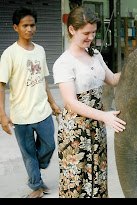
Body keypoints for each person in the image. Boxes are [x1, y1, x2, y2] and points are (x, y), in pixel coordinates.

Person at [53, 6, 126, 198]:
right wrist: (104, 116)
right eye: (86, 33)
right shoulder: (63, 63)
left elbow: (112, 79)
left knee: (98, 179)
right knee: (76, 184)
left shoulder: (95, 54)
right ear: (72, 30)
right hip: (75, 132)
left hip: (97, 128)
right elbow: (71, 102)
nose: (91, 37)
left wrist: (135, 67)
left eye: (94, 32)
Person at [0, 7, 62, 198]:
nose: (29, 29)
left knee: (49, 146)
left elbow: (43, 79)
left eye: (32, 25)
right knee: (28, 154)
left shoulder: (41, 51)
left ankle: (36, 170)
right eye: (25, 25)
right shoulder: (9, 54)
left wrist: (52, 103)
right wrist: (2, 114)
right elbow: (1, 85)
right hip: (21, 116)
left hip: (42, 111)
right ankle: (36, 185)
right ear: (15, 27)